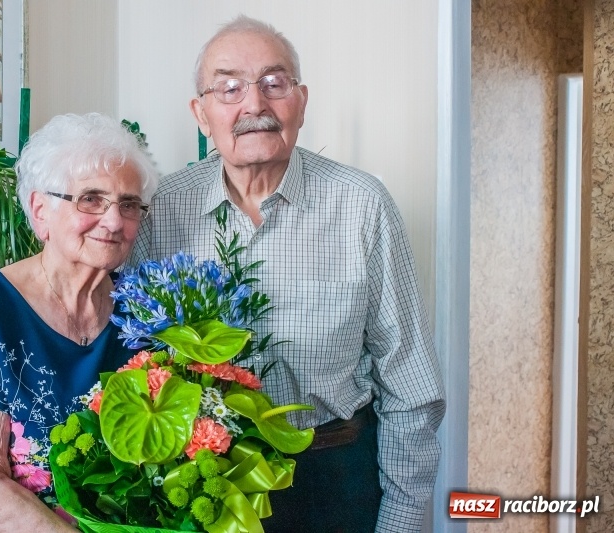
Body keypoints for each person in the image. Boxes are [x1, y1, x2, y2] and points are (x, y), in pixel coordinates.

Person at [129, 15, 446, 533]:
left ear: (301, 101)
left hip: (334, 477)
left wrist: (402, 518)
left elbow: (409, 383)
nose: (254, 104)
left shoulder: (362, 206)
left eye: (274, 83)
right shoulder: (162, 209)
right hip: (203, 482)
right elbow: (134, 356)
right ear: (201, 114)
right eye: (229, 88)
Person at [0, 113, 159, 532]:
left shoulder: (142, 314)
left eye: (128, 204)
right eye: (91, 199)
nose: (114, 220)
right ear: (40, 210)